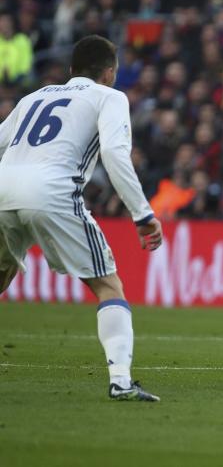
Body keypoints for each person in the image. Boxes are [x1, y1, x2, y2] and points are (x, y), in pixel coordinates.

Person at [0, 35, 164, 401]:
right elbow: (115, 154)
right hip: (52, 194)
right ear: (109, 73)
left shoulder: (33, 97)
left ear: (71, 70)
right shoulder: (109, 97)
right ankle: (121, 382)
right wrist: (143, 214)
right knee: (109, 286)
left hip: (3, 189)